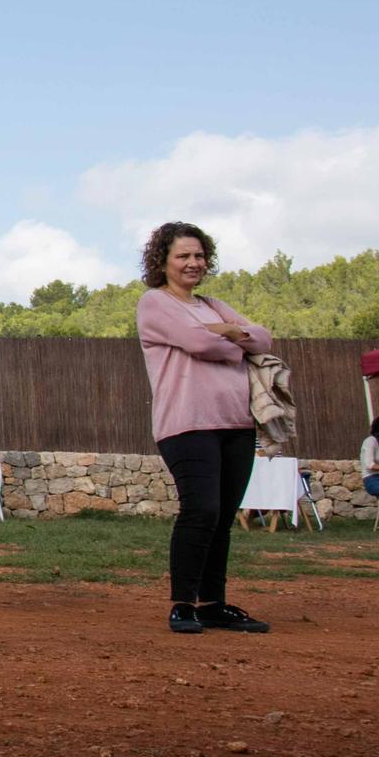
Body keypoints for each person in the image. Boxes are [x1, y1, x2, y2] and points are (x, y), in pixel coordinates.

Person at [137, 221, 274, 636]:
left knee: (223, 516)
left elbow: (264, 339)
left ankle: (213, 603)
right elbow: (201, 345)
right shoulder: (154, 303)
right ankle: (183, 605)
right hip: (186, 424)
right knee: (201, 511)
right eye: (183, 256)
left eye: (199, 255)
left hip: (236, 422)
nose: (193, 263)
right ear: (162, 261)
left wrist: (227, 330)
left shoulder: (213, 305)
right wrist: (232, 337)